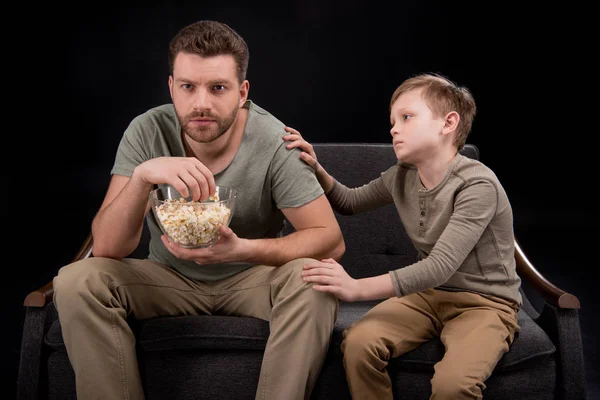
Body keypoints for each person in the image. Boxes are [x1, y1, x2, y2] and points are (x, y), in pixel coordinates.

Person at [52, 20, 345, 400]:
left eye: (217, 88)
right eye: (188, 87)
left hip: (254, 280)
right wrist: (142, 177)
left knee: (316, 281)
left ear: (242, 93)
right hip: (166, 279)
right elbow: (108, 247)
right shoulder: (146, 131)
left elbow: (331, 241)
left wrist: (242, 249)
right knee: (76, 279)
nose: (201, 103)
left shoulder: (275, 140)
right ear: (172, 87)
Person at [282, 73, 522, 399]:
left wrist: (355, 287)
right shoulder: (402, 175)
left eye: (406, 117)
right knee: (358, 344)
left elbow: (439, 266)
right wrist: (316, 167)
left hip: (485, 304)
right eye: (393, 121)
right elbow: (349, 202)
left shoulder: (477, 185)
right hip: (428, 296)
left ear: (448, 123)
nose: (394, 128)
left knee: (453, 386)